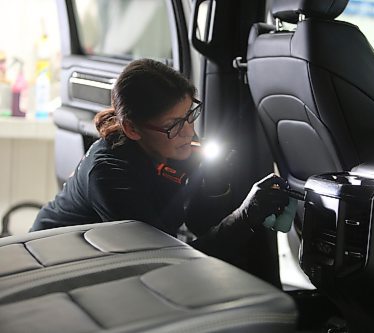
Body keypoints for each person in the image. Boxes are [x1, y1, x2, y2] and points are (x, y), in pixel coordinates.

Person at [31, 58, 294, 274]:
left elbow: (199, 224)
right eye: (173, 124)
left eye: (190, 114)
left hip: (120, 255)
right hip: (50, 263)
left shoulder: (176, 142)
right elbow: (165, 264)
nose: (189, 132)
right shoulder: (109, 174)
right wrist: (245, 216)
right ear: (132, 129)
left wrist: (215, 184)